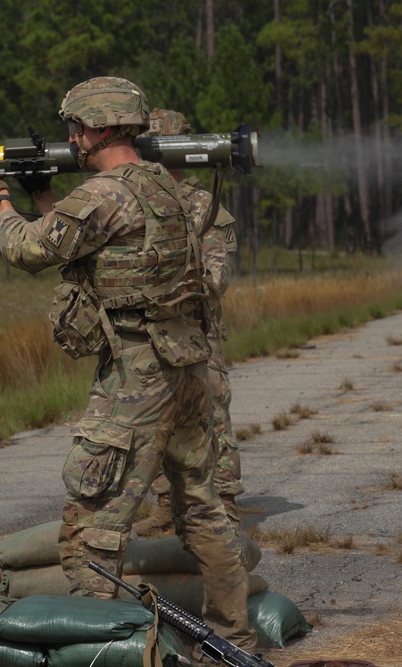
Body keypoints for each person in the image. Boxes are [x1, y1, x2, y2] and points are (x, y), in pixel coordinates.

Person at [0, 76, 256, 650]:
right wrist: (47, 198)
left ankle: (98, 650)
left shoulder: (106, 195)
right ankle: (235, 640)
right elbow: (91, 247)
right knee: (203, 512)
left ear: (100, 128)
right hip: (188, 371)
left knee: (92, 524)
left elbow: (28, 250)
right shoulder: (175, 192)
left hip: (137, 378)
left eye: (77, 128)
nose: (73, 140)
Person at [134, 108, 243, 536]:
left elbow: (217, 277)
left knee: (213, 414)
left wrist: (171, 289)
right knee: (157, 418)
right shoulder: (138, 202)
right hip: (153, 334)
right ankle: (167, 502)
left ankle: (226, 502)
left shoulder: (206, 205)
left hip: (198, 331)